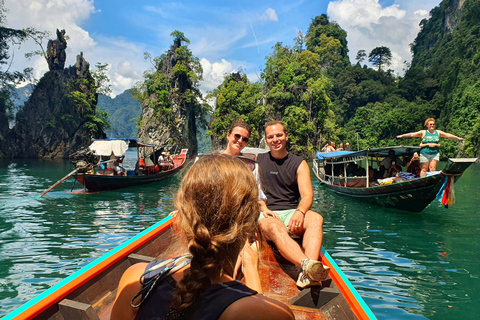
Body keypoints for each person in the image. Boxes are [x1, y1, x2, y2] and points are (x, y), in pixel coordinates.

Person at [110, 155, 294, 320]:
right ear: (249, 223)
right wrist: (251, 268)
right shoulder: (271, 313)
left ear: (183, 217)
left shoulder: (137, 279)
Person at [257, 121, 329, 289]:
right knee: (275, 227)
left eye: (279, 135)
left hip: (291, 212)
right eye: (271, 136)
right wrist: (264, 208)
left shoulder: (299, 163)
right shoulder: (259, 161)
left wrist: (300, 211)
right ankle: (308, 265)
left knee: (316, 218)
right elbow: (253, 191)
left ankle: (307, 275)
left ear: (286, 136)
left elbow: (307, 195)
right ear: (266, 140)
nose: (275, 139)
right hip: (267, 213)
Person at [397, 118, 464, 177]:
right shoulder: (423, 132)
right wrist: (402, 136)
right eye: (430, 124)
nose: (432, 125)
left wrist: (458, 138)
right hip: (425, 153)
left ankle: (432, 180)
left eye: (433, 124)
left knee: (432, 168)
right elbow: (412, 134)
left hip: (435, 153)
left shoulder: (438, 132)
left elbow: (447, 135)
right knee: (424, 169)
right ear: (427, 125)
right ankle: (423, 180)